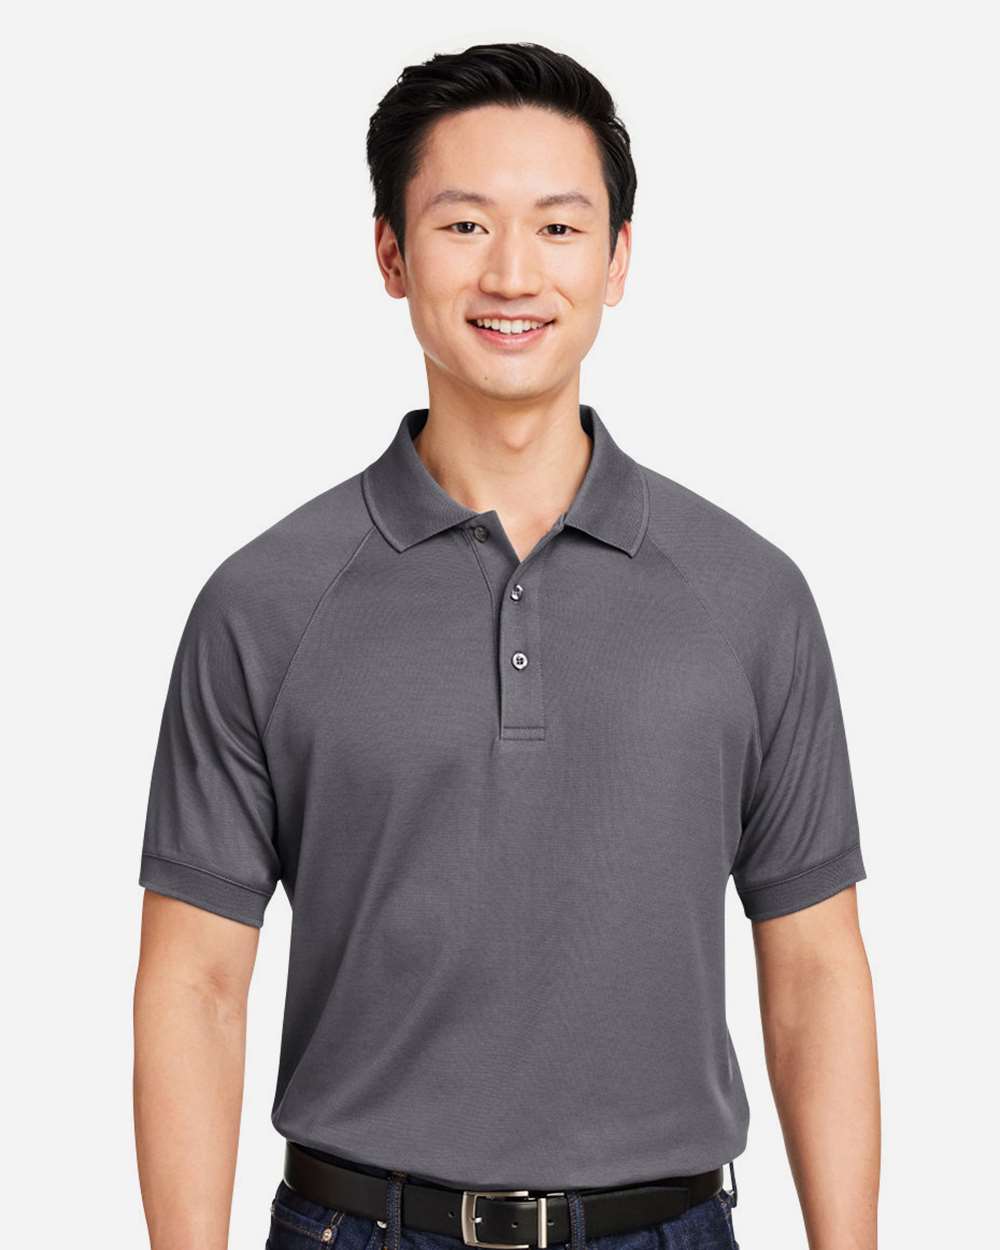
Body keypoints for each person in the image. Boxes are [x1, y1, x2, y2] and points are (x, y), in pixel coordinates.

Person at [133, 41, 879, 1250]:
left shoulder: (750, 596)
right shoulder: (264, 603)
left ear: (618, 259)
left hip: (668, 1226)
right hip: (358, 1225)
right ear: (391, 253)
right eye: (465, 224)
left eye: (559, 227)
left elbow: (816, 970)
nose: (513, 272)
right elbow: (195, 984)